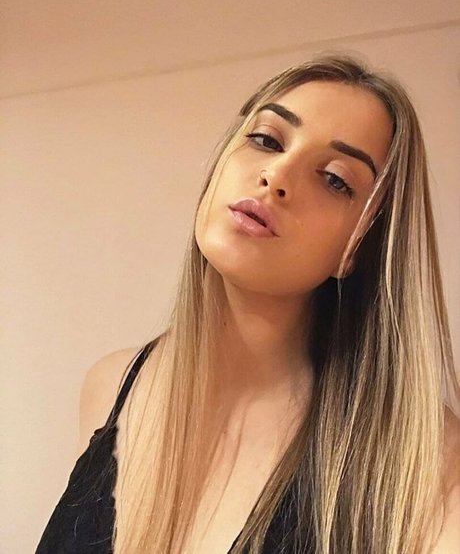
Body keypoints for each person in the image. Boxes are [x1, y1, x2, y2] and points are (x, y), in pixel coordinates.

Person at [36, 53, 460, 554]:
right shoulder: (110, 386)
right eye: (267, 140)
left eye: (334, 179)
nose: (276, 175)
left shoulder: (427, 463)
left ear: (358, 246)